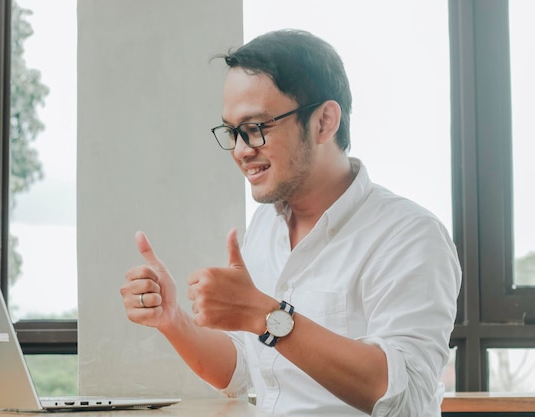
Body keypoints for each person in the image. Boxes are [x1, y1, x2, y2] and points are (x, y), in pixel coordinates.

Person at [120, 29, 461, 417]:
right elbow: (242, 369)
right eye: (232, 132)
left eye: (256, 128)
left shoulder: (409, 235)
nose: (241, 151)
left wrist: (265, 316)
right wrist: (173, 319)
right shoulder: (265, 226)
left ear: (324, 121)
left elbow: (408, 400)